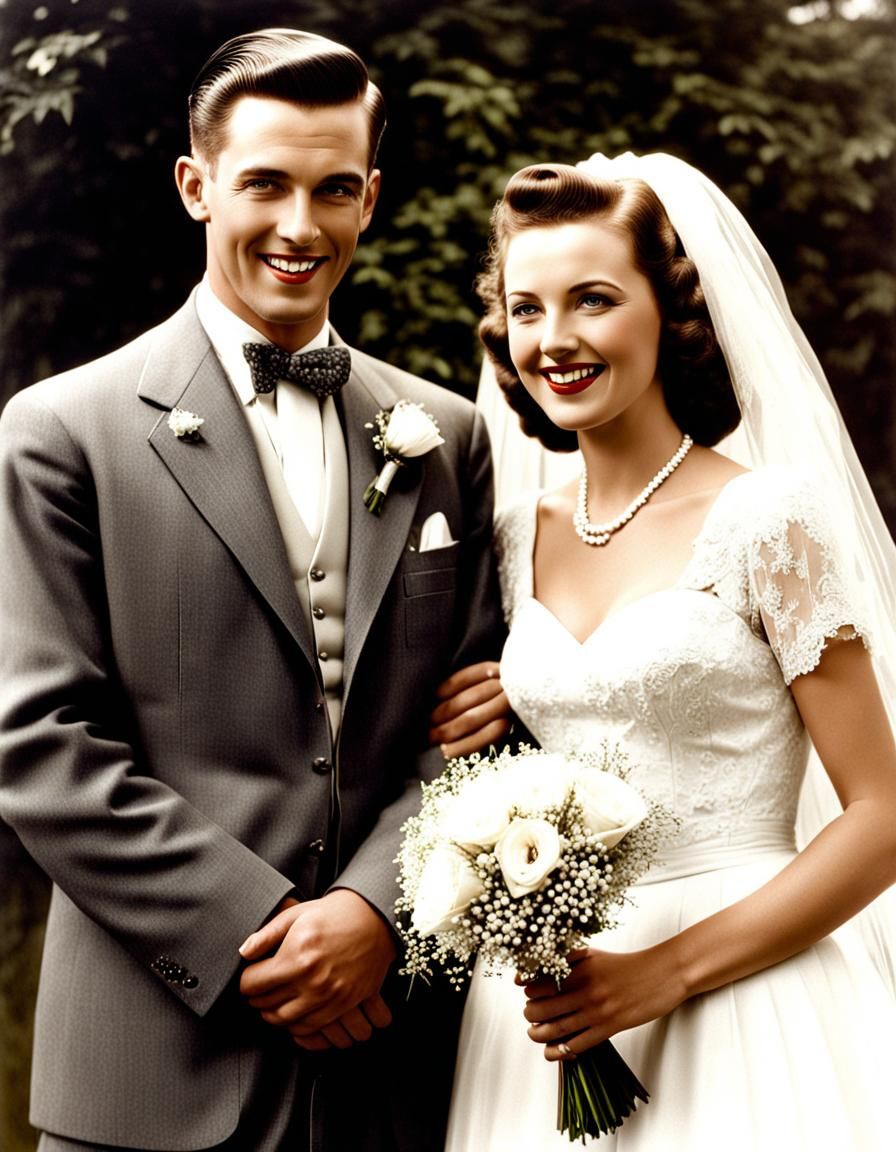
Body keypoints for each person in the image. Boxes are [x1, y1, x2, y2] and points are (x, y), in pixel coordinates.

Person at [0, 28, 506, 1152]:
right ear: (195, 186)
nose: (299, 226)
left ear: (370, 199)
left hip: (395, 1057)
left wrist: (377, 911)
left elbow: (476, 720)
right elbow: (39, 741)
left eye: (333, 189)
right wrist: (268, 931)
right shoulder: (61, 433)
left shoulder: (445, 438)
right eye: (263, 184)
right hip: (150, 1067)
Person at [443, 153, 896, 1150]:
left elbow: (880, 818)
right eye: (526, 309)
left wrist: (665, 971)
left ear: (669, 311)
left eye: (592, 300)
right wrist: (494, 718)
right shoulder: (513, 537)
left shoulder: (763, 519)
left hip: (748, 999)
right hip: (553, 1014)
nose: (552, 340)